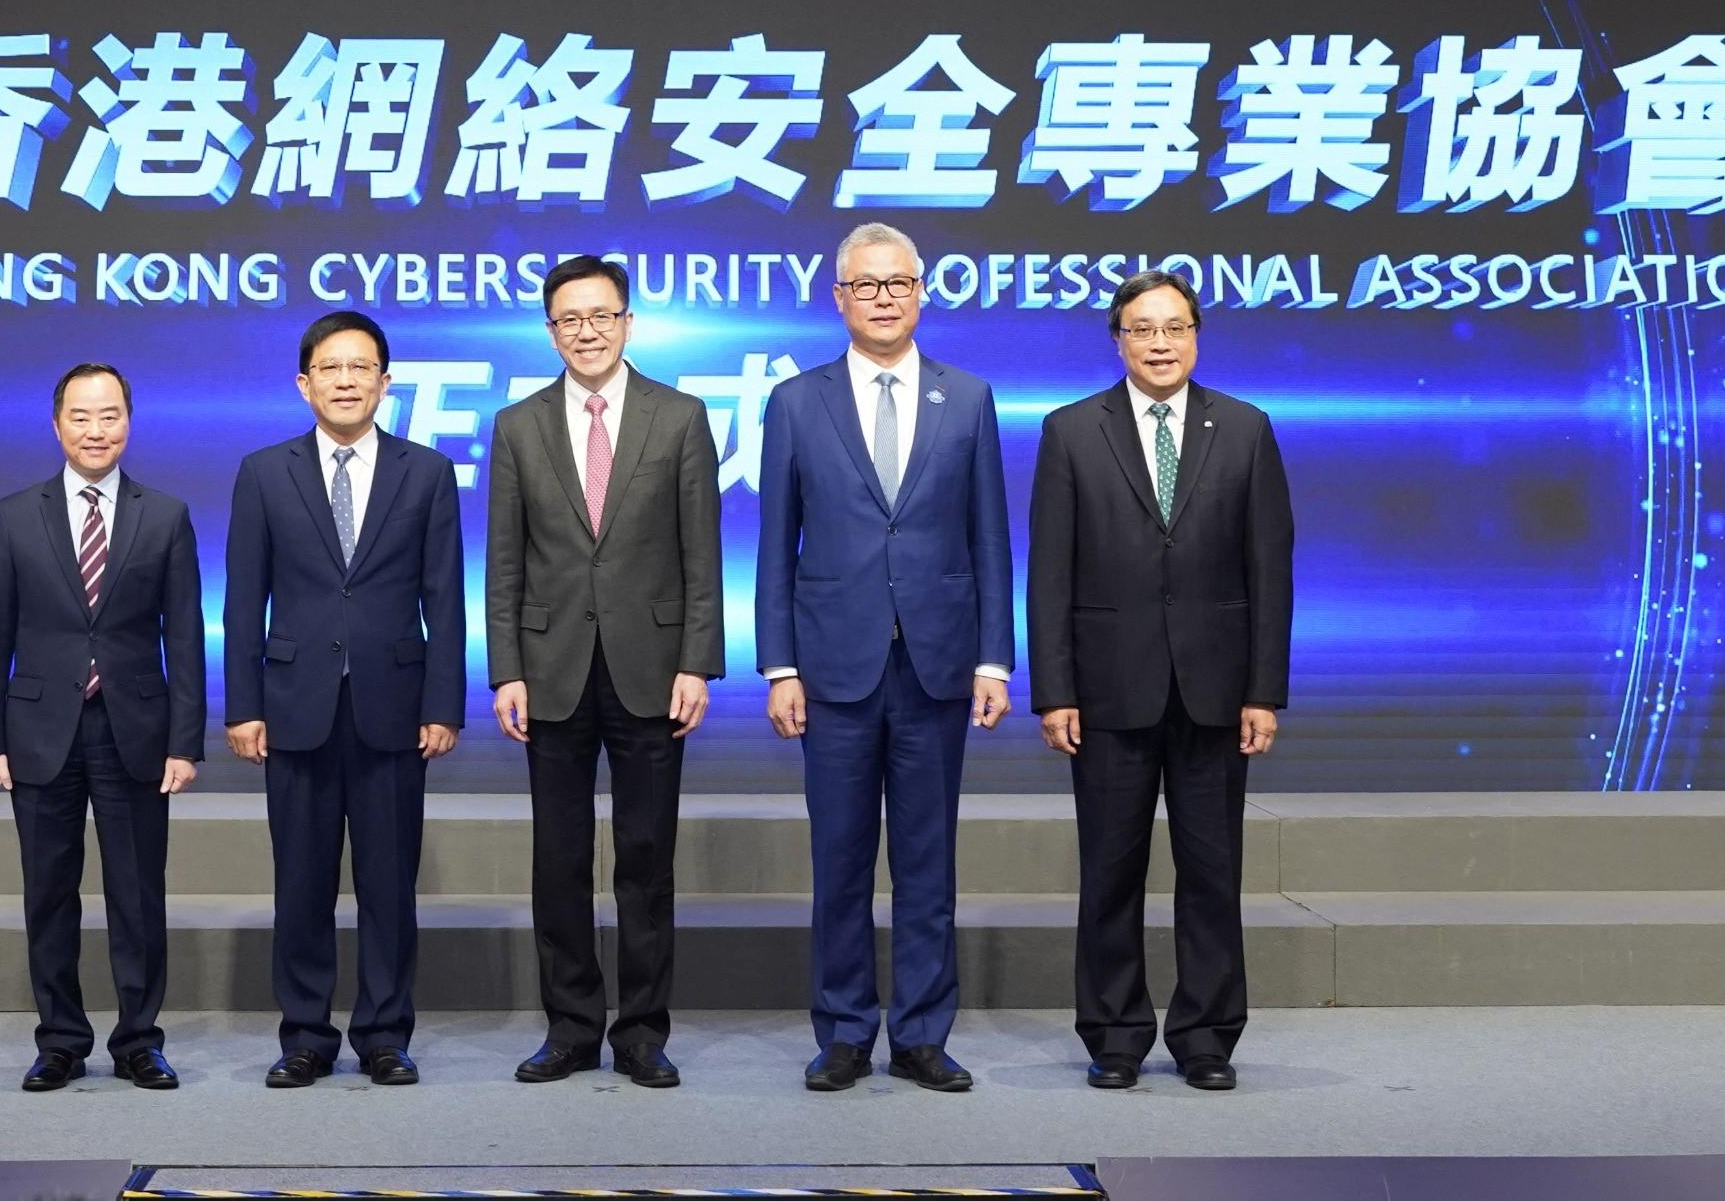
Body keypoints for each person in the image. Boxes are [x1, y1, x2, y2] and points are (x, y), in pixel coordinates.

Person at [754, 222, 1014, 1094]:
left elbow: (990, 537)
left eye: (897, 283)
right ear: (839, 298)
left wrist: (994, 660)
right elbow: (772, 545)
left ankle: (923, 1034)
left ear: (921, 290)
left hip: (938, 664)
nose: (882, 299)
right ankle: (842, 1031)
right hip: (831, 667)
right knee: (839, 858)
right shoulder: (796, 402)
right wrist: (779, 666)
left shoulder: (967, 397)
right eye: (865, 286)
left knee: (928, 859)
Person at [1025, 269, 1293, 1092]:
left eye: (1175, 328)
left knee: (1212, 872)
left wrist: (1263, 690)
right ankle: (1114, 1034)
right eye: (1143, 330)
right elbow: (1050, 574)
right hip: (1106, 691)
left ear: (1196, 336)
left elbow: (1270, 568)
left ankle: (1207, 1036)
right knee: (1110, 868)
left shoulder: (1245, 428)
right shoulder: (1071, 430)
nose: (1160, 343)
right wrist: (1054, 689)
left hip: (1217, 689)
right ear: (1118, 341)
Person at [486, 254, 724, 1088]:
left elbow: (703, 552)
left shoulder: (681, 416)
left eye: (601, 316)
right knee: (558, 859)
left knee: (645, 855)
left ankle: (642, 1032)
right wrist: (505, 669)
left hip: (653, 670)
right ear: (550, 330)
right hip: (549, 669)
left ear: (628, 322)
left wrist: (698, 661)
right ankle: (571, 1027)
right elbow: (504, 562)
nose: (585, 331)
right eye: (568, 320)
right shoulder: (518, 425)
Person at [222, 311, 467, 1088]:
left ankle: (386, 1035)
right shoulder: (264, 472)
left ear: (386, 383)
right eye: (330, 368)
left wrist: (443, 704)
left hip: (395, 706)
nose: (346, 381)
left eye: (362, 368)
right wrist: (243, 704)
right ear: (304, 384)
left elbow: (446, 599)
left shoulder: (425, 472)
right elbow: (242, 601)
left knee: (390, 884)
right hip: (293, 705)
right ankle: (305, 1036)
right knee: (300, 882)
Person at [0, 361, 205, 1092]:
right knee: (49, 891)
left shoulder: (164, 515)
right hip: (40, 731)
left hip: (133, 727)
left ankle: (139, 1041)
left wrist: (185, 741)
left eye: (109, 416)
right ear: (57, 424)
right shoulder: (15, 515)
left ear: (128, 423)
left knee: (139, 894)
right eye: (81, 416)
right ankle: (61, 1041)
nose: (95, 430)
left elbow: (187, 636)